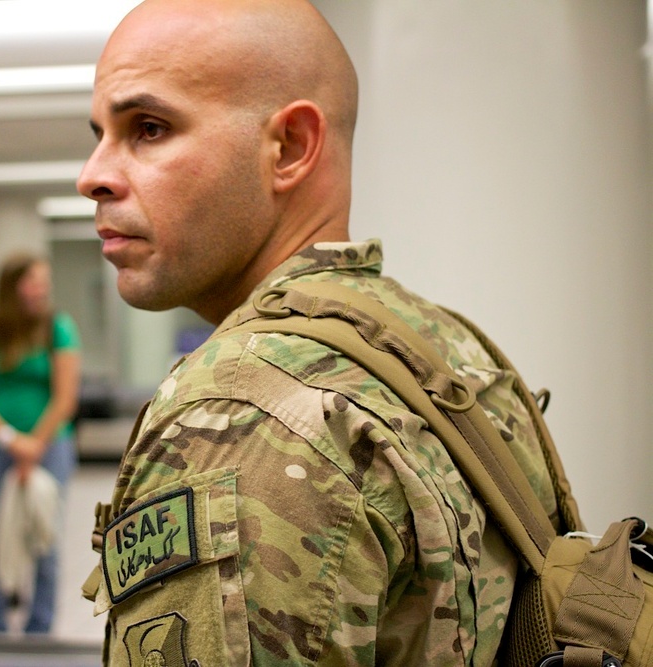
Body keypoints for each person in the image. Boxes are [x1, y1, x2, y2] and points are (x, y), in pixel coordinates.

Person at [76, 1, 561, 664]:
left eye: (150, 128)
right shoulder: (443, 346)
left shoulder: (239, 415)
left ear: (291, 148)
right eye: (100, 133)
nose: (92, 175)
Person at [0, 252, 81, 634]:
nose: (41, 289)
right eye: (33, 281)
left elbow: (65, 399)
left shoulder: (58, 329)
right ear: (12, 287)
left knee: (45, 540)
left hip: (50, 447)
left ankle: (39, 630)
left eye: (44, 281)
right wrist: (10, 440)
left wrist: (34, 445)